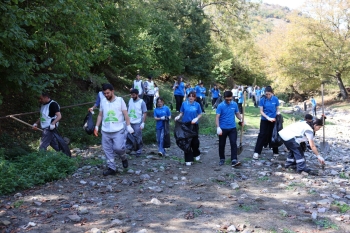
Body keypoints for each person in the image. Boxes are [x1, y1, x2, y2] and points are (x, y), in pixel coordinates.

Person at [94, 84, 135, 176]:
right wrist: (96, 126)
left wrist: (128, 126)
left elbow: (126, 114)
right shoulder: (103, 101)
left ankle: (123, 157)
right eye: (104, 93)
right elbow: (100, 115)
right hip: (105, 130)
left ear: (113, 91)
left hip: (118, 130)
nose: (106, 95)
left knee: (118, 148)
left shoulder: (120, 100)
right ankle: (111, 168)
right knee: (107, 149)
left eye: (108, 93)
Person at [216, 91, 244, 167]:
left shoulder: (234, 104)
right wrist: (218, 127)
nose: (228, 101)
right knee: (222, 144)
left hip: (232, 128)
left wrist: (241, 119)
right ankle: (222, 159)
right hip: (223, 128)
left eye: (230, 99)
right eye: (227, 99)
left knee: (233, 143)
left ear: (232, 97)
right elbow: (217, 117)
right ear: (224, 98)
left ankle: (234, 160)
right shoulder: (220, 106)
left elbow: (237, 113)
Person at [175, 91, 202, 166]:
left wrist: (196, 118)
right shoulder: (184, 104)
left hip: (194, 125)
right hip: (185, 125)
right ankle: (188, 159)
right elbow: (181, 112)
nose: (191, 97)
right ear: (188, 97)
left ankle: (196, 153)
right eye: (190, 96)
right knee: (186, 142)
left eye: (193, 96)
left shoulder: (197, 105)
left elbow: (200, 114)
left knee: (195, 142)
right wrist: (178, 116)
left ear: (194, 98)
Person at [253, 86, 280, 160]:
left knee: (273, 134)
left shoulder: (275, 99)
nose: (267, 95)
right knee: (262, 134)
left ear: (271, 93)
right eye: (266, 94)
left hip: (273, 119)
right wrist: (267, 117)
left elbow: (277, 108)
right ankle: (257, 152)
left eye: (269, 94)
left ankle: (275, 151)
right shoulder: (262, 100)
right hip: (265, 119)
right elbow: (261, 111)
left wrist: (278, 113)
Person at [126, 89, 147, 156]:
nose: (132, 96)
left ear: (137, 94)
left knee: (138, 137)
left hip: (137, 122)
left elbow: (145, 112)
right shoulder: (130, 100)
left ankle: (139, 150)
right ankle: (130, 148)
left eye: (134, 95)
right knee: (129, 136)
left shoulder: (141, 102)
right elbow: (127, 110)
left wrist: (143, 122)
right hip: (130, 121)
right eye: (131, 95)